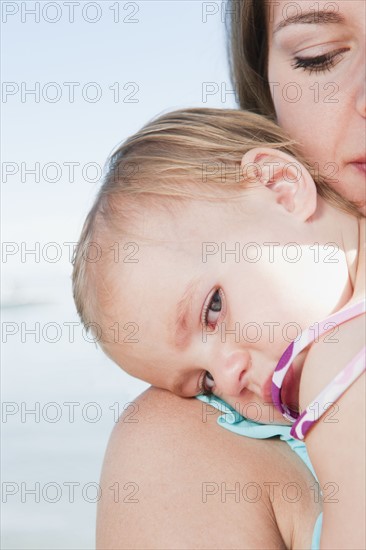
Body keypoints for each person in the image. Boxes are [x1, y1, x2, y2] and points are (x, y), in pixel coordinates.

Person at [90, 1, 365, 548]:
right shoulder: (196, 443)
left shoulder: (340, 364)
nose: (230, 378)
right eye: (319, 58)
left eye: (214, 308)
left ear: (280, 187)